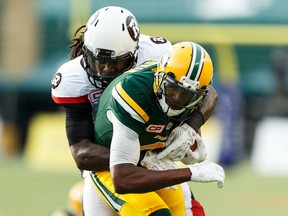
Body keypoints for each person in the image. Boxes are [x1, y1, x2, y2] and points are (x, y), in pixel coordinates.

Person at [51, 6, 218, 216]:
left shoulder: (156, 53)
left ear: (135, 54)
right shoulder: (73, 78)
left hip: (149, 149)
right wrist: (145, 158)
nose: (104, 70)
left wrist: (189, 129)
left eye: (115, 63)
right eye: (98, 61)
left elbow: (205, 90)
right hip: (108, 160)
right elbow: (81, 153)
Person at [88, 41, 225, 216]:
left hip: (152, 160)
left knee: (195, 213)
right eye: (172, 88)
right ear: (160, 76)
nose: (175, 98)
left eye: (186, 95)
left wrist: (191, 128)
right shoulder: (133, 92)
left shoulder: (194, 89)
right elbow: (122, 179)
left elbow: (211, 94)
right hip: (111, 167)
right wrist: (190, 173)